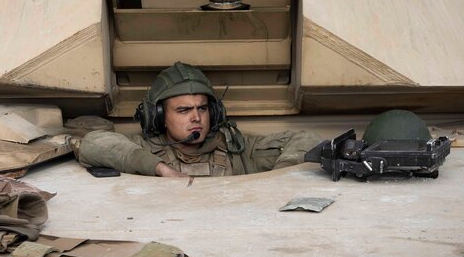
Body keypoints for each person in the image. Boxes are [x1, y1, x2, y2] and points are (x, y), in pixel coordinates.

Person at [77, 62, 321, 177]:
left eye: (202, 109)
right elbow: (91, 144)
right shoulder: (145, 149)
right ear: (159, 116)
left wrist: (278, 180)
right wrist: (159, 169)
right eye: (183, 111)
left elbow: (307, 139)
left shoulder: (237, 150)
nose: (196, 117)